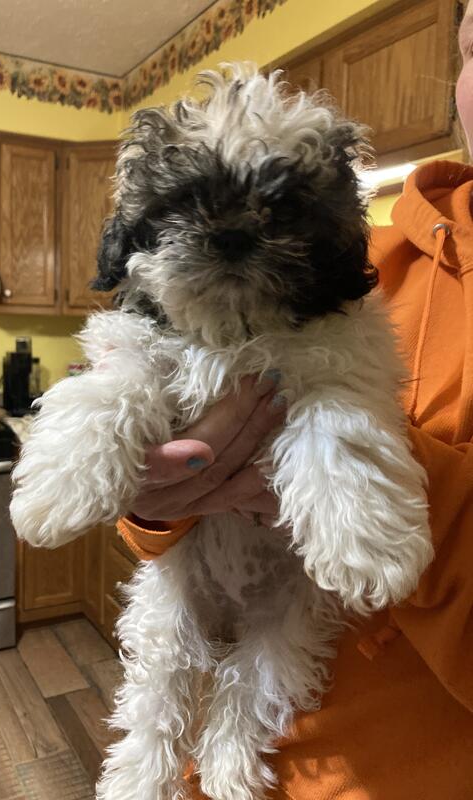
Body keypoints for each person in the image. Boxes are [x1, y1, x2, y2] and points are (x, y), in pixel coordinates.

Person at [114, 4, 473, 798]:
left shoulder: (332, 280)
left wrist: (375, 482)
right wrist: (159, 495)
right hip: (226, 766)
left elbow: (353, 512)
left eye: (277, 210)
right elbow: (154, 516)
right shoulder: (370, 260)